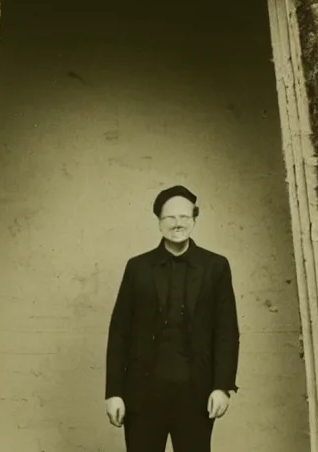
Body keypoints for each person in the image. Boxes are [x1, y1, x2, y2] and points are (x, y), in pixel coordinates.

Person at [105, 185, 240, 452]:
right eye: (169, 218)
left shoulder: (216, 266)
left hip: (197, 394)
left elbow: (226, 332)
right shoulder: (138, 267)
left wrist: (222, 387)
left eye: (184, 217)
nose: (177, 224)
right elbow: (119, 332)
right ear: (158, 222)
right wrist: (114, 392)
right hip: (143, 394)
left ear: (194, 219)